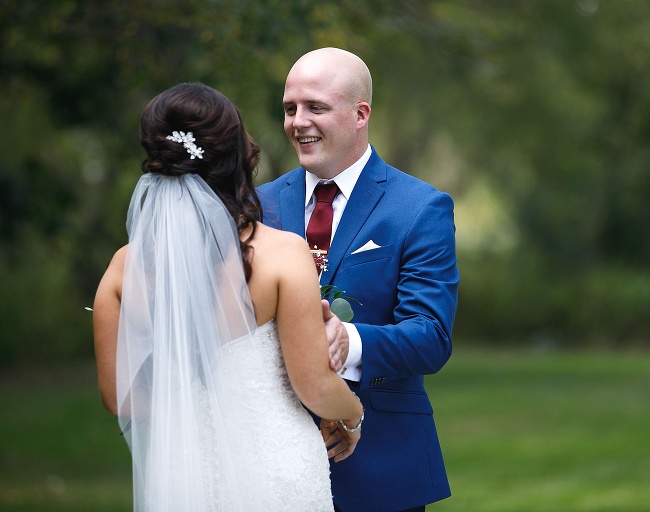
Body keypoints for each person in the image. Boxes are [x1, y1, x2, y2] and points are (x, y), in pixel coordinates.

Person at [93, 82, 364, 512]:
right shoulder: (281, 254)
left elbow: (119, 397)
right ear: (238, 153)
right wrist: (351, 415)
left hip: (184, 476)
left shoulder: (123, 269)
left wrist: (192, 407)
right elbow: (313, 385)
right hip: (276, 472)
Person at [257, 48, 459, 512]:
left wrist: (348, 341)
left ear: (359, 114)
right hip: (269, 460)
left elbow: (431, 335)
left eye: (316, 107)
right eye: (290, 109)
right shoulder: (256, 204)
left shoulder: (419, 208)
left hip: (380, 469)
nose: (298, 122)